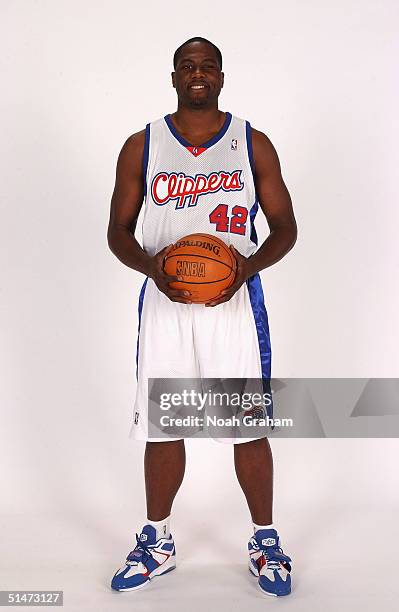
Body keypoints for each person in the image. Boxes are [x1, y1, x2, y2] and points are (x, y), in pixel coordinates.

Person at [107, 36, 297, 597]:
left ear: (220, 76)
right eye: (187, 66)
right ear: (172, 77)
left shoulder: (251, 143)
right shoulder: (141, 146)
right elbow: (117, 231)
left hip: (234, 307)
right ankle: (156, 540)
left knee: (249, 428)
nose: (197, 75)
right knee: (164, 426)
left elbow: (286, 226)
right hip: (165, 306)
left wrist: (246, 267)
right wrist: (151, 267)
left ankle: (265, 540)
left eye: (206, 66)